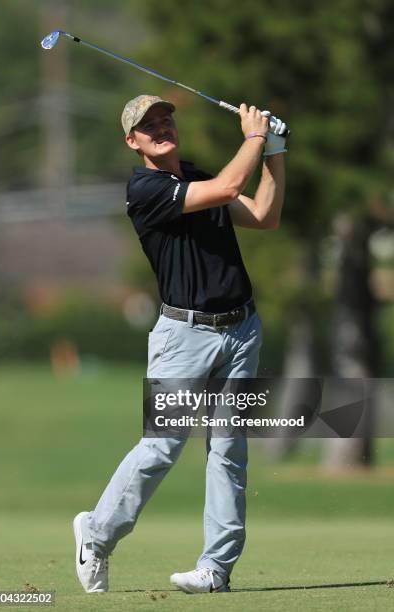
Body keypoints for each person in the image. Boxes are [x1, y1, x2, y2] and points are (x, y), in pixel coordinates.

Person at [73, 94, 286, 594]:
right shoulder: (144, 189)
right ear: (133, 141)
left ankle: (216, 569)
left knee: (230, 452)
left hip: (241, 328)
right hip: (183, 337)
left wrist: (274, 151)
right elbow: (233, 185)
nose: (162, 126)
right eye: (149, 125)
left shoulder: (197, 176)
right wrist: (255, 136)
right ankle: (97, 536)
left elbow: (263, 216)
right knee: (162, 447)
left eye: (166, 118)